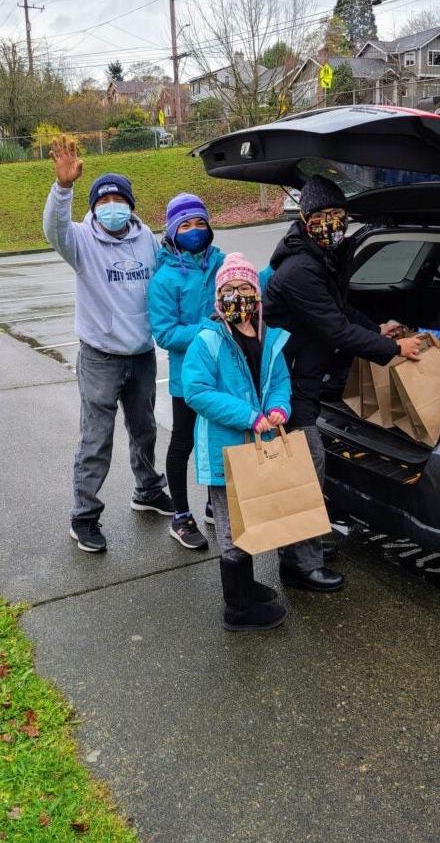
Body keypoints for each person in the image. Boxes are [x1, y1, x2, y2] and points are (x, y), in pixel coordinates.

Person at [262, 174, 422, 589]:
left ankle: (307, 542)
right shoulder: (300, 269)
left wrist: (378, 328)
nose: (332, 222)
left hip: (305, 377)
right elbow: (334, 329)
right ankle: (299, 565)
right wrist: (393, 351)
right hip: (287, 383)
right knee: (304, 469)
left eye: (338, 214)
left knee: (307, 468)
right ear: (305, 217)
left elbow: (344, 312)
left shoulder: (318, 258)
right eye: (323, 215)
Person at [43, 135, 172, 554]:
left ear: (130, 206)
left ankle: (148, 491)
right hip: (100, 356)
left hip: (141, 354)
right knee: (96, 439)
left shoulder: (146, 240)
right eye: (104, 199)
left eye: (119, 199)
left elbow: (168, 279)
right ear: (95, 206)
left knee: (146, 430)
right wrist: (63, 189)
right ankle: (83, 516)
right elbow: (54, 229)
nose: (111, 205)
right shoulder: (80, 241)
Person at [182, 252, 293, 632]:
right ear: (218, 298)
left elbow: (279, 381)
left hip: (257, 447)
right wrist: (248, 416)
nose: (238, 295)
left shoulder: (268, 336)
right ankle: (238, 608)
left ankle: (245, 584)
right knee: (231, 527)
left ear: (257, 295)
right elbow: (197, 391)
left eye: (245, 287)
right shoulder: (208, 340)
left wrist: (279, 406)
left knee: (251, 517)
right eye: (228, 289)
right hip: (224, 450)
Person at [148, 193, 225, 550]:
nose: (194, 231)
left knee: (221, 441)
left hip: (225, 373)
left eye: (200, 223)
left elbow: (249, 287)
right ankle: (180, 516)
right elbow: (164, 333)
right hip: (188, 377)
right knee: (184, 442)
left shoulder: (221, 263)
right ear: (172, 231)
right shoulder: (165, 278)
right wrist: (208, 328)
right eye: (185, 225)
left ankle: (216, 504)